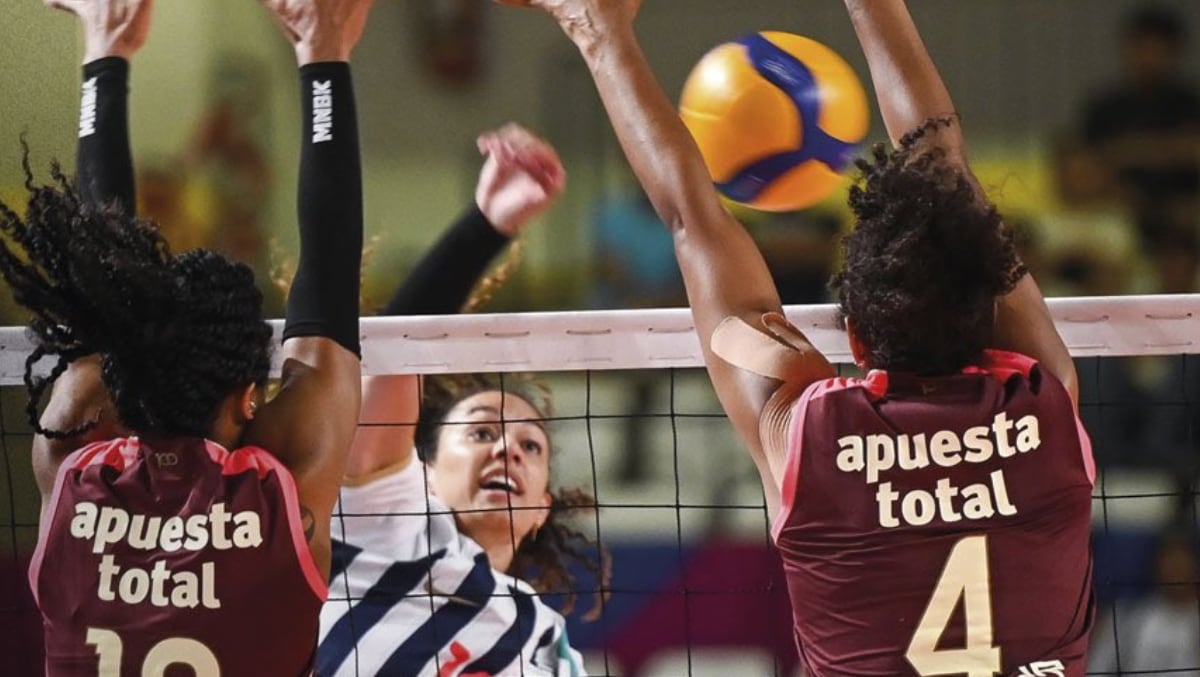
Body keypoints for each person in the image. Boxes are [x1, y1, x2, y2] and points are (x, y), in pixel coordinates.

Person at [500, 0, 1094, 674]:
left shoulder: (810, 434)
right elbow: (944, 173)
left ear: (858, 341)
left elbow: (694, 220)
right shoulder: (1045, 403)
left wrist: (595, 27)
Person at [0, 0, 374, 673]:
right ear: (249, 395)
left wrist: (101, 43)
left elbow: (98, 280)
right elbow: (330, 261)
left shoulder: (72, 463)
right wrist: (324, 46)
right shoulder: (283, 489)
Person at [318, 124, 604, 676]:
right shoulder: (381, 524)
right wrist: (484, 227)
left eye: (531, 446)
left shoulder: (546, 639)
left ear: (541, 508)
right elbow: (398, 346)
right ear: (421, 472)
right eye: (480, 432)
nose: (509, 452)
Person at [1081, 4, 1200, 250]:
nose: (1149, 57)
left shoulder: (1190, 103)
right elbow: (1087, 167)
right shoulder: (1105, 108)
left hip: (1186, 209)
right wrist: (1170, 150)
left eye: (1157, 49)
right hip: (1120, 210)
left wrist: (1128, 152)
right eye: (1141, 47)